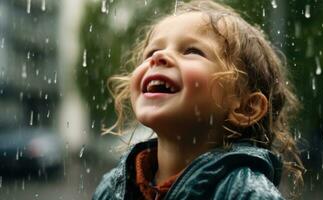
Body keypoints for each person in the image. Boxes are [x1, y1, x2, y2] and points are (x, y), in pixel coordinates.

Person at [93, 0, 305, 199]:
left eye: (192, 51)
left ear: (246, 108)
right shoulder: (113, 188)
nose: (158, 57)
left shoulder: (246, 192)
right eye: (152, 52)